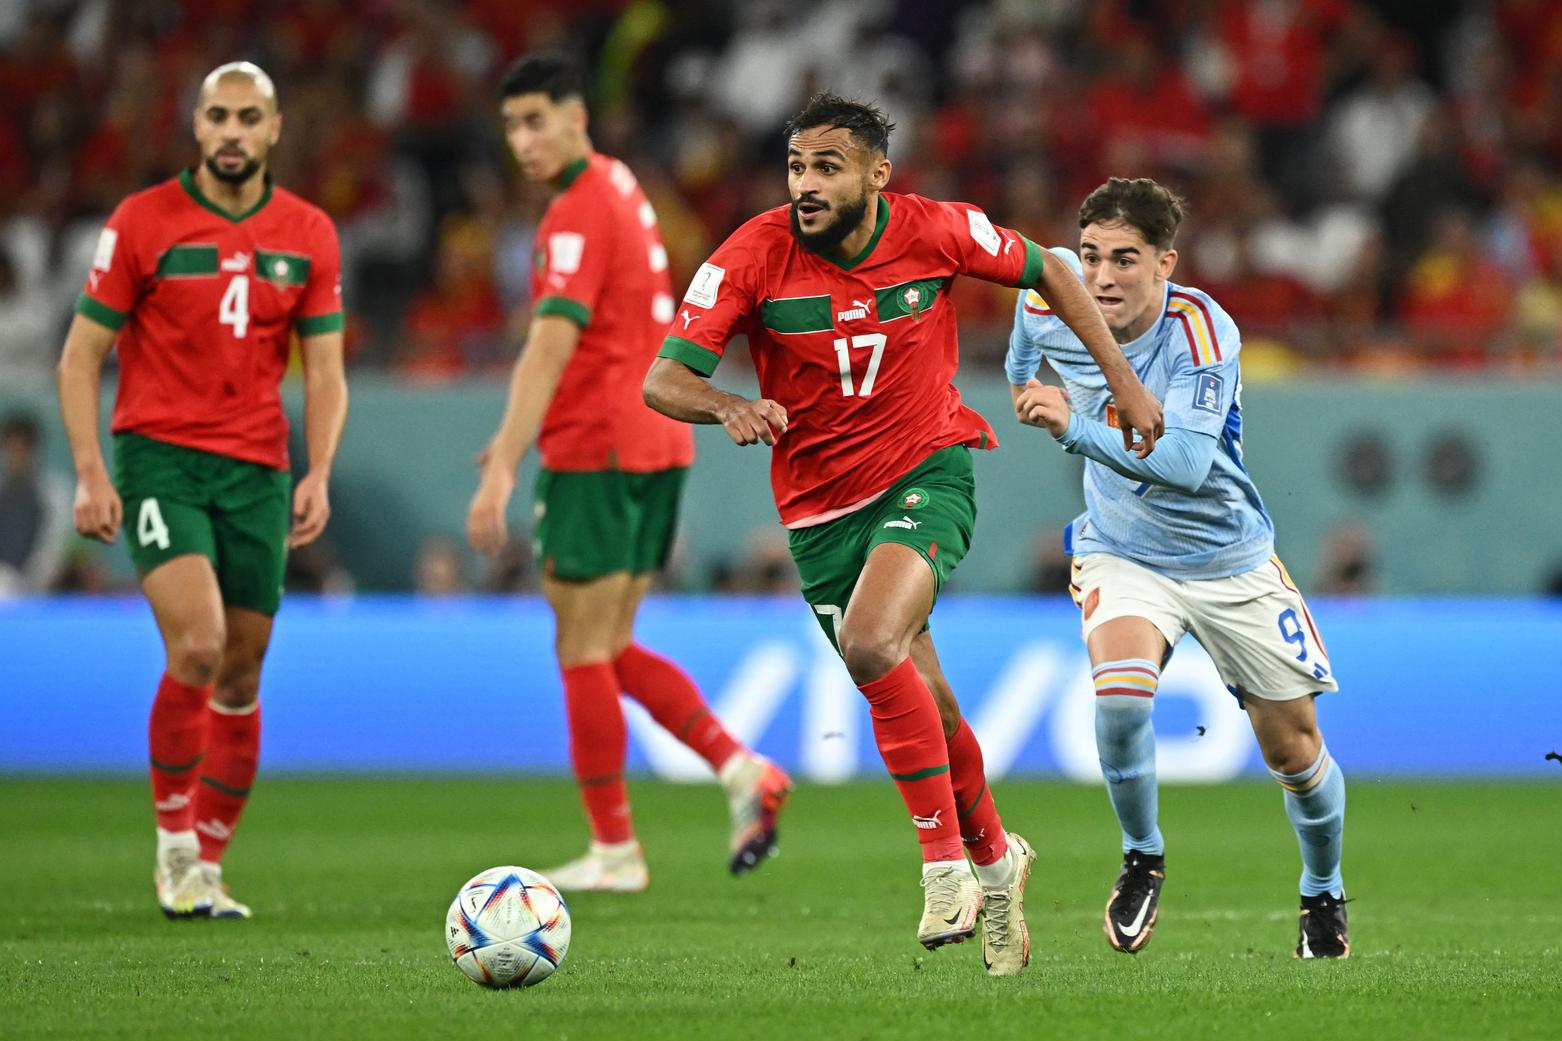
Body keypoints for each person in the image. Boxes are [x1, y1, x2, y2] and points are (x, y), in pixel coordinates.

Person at [643, 92, 1164, 975]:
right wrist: (726, 402)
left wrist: (1122, 381)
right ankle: (998, 863)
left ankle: (943, 867)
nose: (806, 185)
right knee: (928, 697)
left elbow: (1050, 269)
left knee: (870, 641)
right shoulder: (751, 255)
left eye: (828, 167)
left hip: (927, 472)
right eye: (796, 167)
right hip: (818, 516)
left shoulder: (937, 231)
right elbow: (663, 379)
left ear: (876, 175)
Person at [466, 55, 791, 892]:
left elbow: (550, 343)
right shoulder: (621, 187)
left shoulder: (576, 210)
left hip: (596, 446)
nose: (523, 141)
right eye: (512, 127)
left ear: (577, 117)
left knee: (581, 646)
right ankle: (739, 768)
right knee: (607, 645)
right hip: (655, 442)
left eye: (537, 120)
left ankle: (614, 848)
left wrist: (504, 462)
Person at [1006, 177, 1348, 959]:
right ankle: (1143, 857)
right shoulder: (1052, 295)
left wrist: (1072, 425)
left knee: (1295, 752)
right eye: (1091, 255)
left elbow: (1189, 464)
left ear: (1165, 263)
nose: (1101, 277)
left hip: (1229, 558)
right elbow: (1026, 333)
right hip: (1123, 551)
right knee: (1120, 699)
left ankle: (1323, 890)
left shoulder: (1201, 329)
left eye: (1125, 259)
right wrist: (1027, 385)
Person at [56, 62, 349, 920]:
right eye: (218, 115)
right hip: (160, 460)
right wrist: (90, 471)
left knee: (242, 672)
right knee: (198, 645)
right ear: (196, 124)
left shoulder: (308, 233)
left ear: (274, 128)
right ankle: (175, 850)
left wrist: (320, 470)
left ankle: (208, 866)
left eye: (248, 117)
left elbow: (326, 372)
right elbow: (79, 357)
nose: (232, 131)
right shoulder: (141, 222)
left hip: (258, 469)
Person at [0, 411, 72, 595]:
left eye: (22, 447)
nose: (16, 455)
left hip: (36, 589)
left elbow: (53, 548)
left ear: (33, 450)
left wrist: (32, 584)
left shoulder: (53, 493)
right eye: (11, 447)